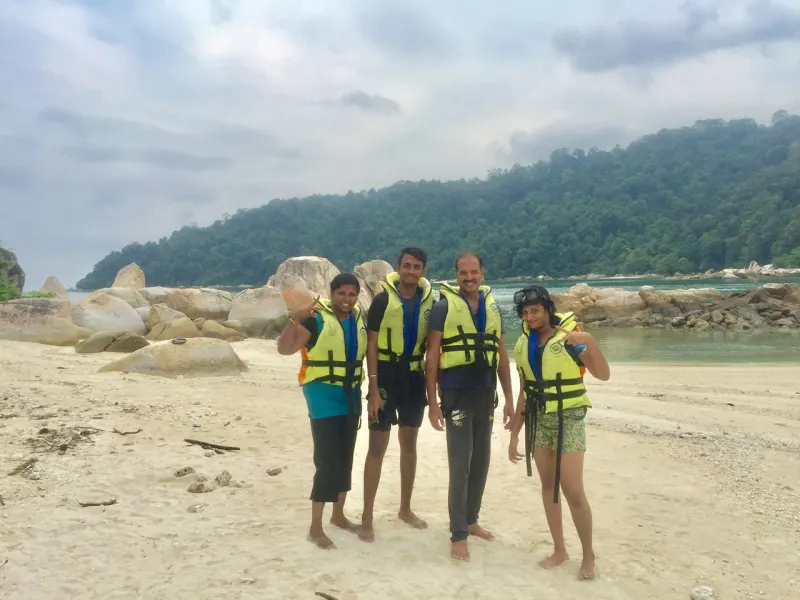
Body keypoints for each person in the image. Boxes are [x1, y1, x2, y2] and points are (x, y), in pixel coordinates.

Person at [507, 284, 610, 580]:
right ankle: (559, 549)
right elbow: (525, 391)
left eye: (535, 311)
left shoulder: (572, 339)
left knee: (573, 489)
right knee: (548, 487)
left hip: (569, 417)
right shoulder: (523, 346)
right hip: (540, 419)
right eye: (525, 313)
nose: (530, 317)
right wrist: (515, 432)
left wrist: (587, 342)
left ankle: (588, 555)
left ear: (548, 309)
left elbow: (603, 374)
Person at [425, 252, 515, 561]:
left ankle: (472, 520)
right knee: (460, 464)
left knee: (481, 461)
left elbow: (501, 355)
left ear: (482, 273)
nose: (469, 278)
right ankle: (458, 533)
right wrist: (433, 404)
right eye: (463, 273)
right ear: (456, 275)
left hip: (486, 393)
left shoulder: (493, 306)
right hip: (456, 395)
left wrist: (510, 399)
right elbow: (432, 357)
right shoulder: (442, 307)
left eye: (474, 272)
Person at [276, 273, 367, 550]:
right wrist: (295, 317)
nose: (347, 299)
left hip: (349, 393)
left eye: (352, 294)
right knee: (327, 460)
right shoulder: (315, 320)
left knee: (345, 455)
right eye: (342, 293)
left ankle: (338, 515)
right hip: (322, 396)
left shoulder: (357, 320)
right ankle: (315, 526)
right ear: (332, 293)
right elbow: (284, 349)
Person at [359, 247, 435, 542]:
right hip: (387, 377)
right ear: (399, 268)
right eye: (407, 266)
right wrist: (374, 390)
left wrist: (434, 390)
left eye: (417, 267)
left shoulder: (430, 303)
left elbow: (433, 347)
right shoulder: (381, 301)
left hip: (414, 379)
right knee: (377, 447)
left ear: (423, 271)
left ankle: (405, 508)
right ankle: (367, 516)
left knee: (409, 445)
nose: (411, 271)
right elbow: (372, 346)